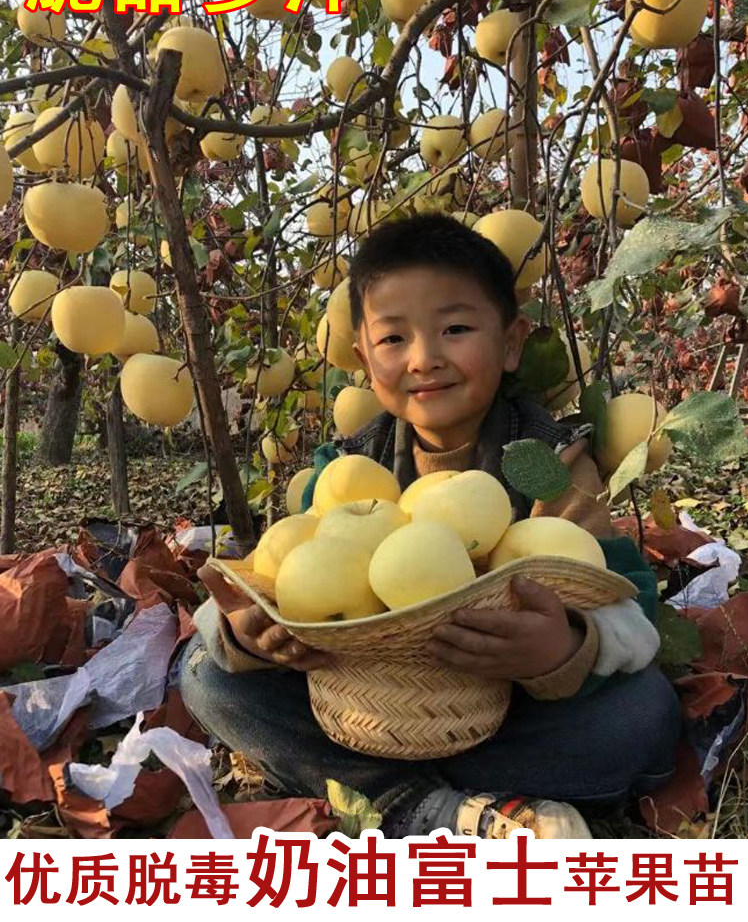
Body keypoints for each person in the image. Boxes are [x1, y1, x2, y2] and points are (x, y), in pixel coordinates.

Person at [180, 212, 681, 839]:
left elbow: (631, 610)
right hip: (367, 711)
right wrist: (249, 634)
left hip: (505, 716)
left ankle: (395, 799)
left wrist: (565, 647)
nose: (424, 358)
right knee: (206, 673)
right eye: (393, 340)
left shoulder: (552, 465)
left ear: (511, 342)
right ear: (363, 356)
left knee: (643, 718)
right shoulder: (344, 471)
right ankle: (428, 807)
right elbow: (275, 577)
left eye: (455, 328)